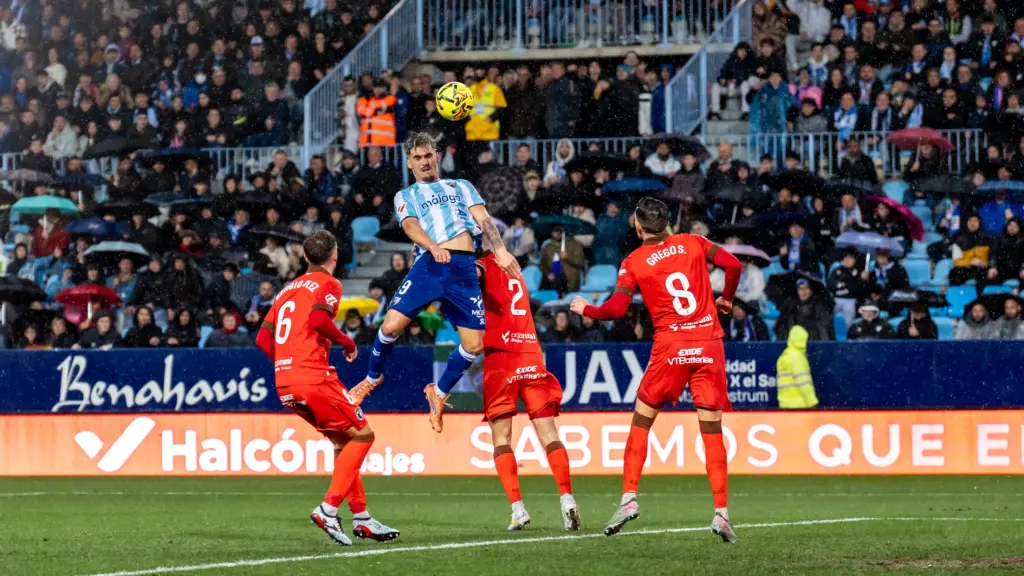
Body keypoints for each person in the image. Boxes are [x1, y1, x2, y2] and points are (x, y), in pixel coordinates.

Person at [569, 197, 741, 542]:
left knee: (642, 422)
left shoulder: (634, 260)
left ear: (637, 226)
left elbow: (617, 309)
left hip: (671, 347)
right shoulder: (694, 242)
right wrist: (727, 298)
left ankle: (629, 498)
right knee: (711, 430)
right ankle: (721, 513)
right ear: (666, 223)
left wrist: (586, 307)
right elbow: (733, 265)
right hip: (708, 344)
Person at [348, 133, 521, 432]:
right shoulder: (406, 195)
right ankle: (371, 378)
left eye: (428, 155)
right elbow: (410, 226)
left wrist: (501, 250)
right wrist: (432, 246)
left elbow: (484, 220)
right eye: (418, 157)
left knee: (474, 345)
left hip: (464, 268)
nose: (424, 161)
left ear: (437, 156)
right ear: (410, 163)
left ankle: (438, 392)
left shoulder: (461, 186)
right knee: (389, 327)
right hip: (430, 264)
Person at [254, 231, 400, 545]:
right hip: (313, 377)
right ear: (334, 255)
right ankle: (328, 508)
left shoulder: (286, 290)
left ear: (305, 257)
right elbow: (320, 320)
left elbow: (262, 339)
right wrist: (346, 341)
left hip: (286, 383)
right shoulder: (328, 283)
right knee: (363, 434)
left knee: (343, 441)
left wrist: (287, 363)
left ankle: (361, 517)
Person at [476, 250, 579, 531]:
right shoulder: (513, 266)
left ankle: (518, 509)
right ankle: (567, 499)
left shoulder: (482, 266)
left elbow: (470, 276)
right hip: (531, 354)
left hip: (502, 358)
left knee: (501, 438)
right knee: (549, 434)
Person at [775, 326, 819, 409]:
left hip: (784, 404)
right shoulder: (797, 357)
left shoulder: (783, 357)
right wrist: (812, 402)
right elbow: (803, 382)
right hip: (800, 405)